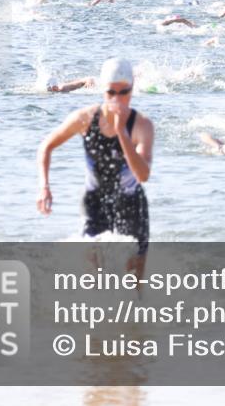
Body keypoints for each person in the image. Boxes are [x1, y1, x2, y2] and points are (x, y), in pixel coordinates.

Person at [36, 58, 155, 276]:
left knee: (134, 280)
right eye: (111, 92)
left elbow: (143, 175)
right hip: (94, 202)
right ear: (102, 90)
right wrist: (44, 187)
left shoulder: (142, 125)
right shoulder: (85, 119)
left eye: (123, 92)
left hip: (131, 203)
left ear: (132, 89)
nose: (117, 99)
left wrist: (122, 133)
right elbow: (46, 146)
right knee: (93, 276)